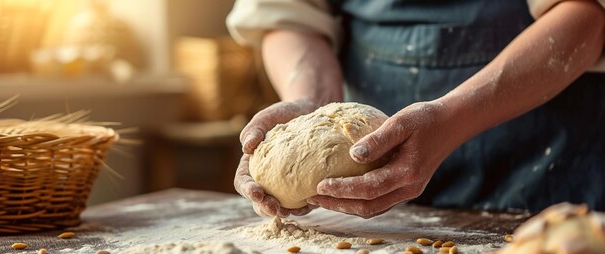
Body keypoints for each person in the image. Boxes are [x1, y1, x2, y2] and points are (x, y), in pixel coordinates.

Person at [227, 0, 605, 218]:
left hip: (545, 157)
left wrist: (453, 117)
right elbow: (288, 13)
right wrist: (313, 102)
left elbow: (588, 11)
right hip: (374, 170)